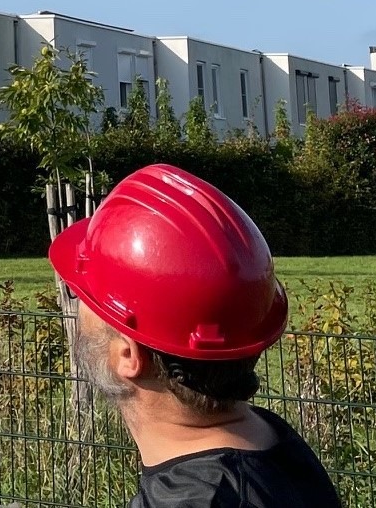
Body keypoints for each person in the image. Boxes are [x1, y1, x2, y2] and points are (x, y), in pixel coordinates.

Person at [47, 164, 342, 508]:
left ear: (127, 355)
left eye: (83, 295)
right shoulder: (270, 444)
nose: (78, 303)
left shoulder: (200, 498)